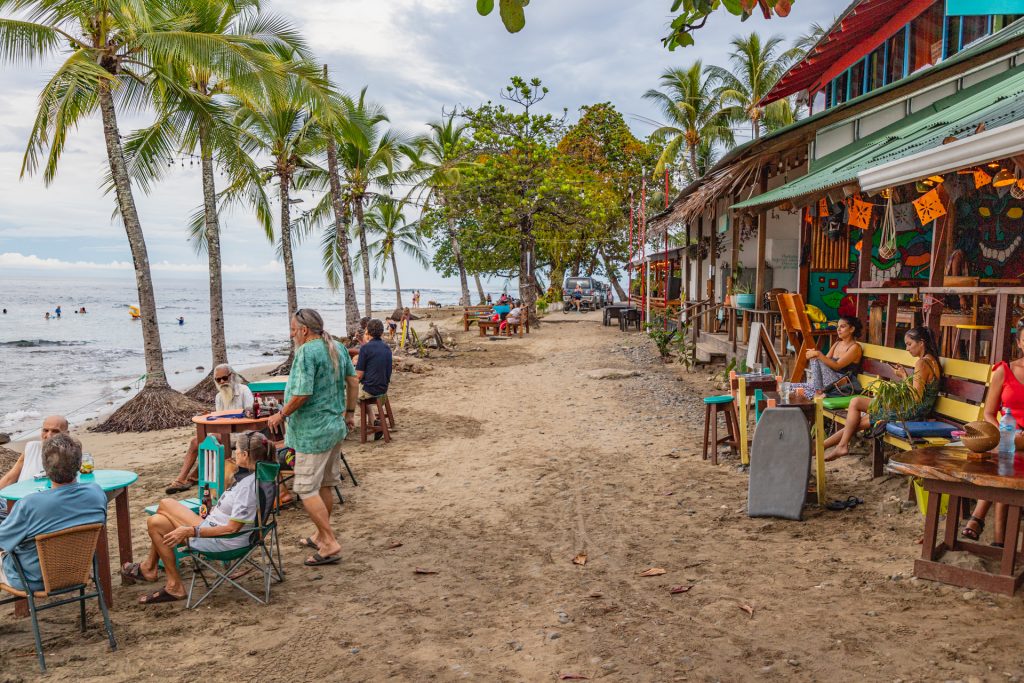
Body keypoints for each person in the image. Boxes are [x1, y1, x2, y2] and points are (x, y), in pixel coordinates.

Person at [124, 431, 276, 604]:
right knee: (158, 518)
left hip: (224, 542)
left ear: (245, 455)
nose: (234, 454)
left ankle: (163, 578)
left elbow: (232, 529)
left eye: (237, 450)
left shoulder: (248, 487)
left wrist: (191, 531)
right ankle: (153, 569)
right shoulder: (261, 475)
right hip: (220, 529)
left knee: (158, 518)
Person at [266, 309, 357, 567]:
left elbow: (303, 393)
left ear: (304, 330)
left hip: (313, 432)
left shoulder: (307, 351)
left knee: (305, 488)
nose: (291, 334)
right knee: (325, 484)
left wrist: (281, 415)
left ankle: (329, 542)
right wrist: (350, 413)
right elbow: (352, 381)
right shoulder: (337, 346)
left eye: (293, 330)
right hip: (334, 426)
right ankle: (320, 534)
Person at [0, 434, 107, 594]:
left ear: (45, 467)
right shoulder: (96, 493)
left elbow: (2, 540)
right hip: (78, 572)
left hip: (31, 579)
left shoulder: (29, 504)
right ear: (79, 465)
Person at [822, 326, 941, 461]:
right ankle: (831, 446)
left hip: (912, 410)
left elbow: (916, 398)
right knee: (857, 410)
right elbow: (918, 393)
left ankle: (829, 446)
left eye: (909, 344)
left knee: (858, 414)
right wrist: (904, 376)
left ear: (921, 342)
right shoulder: (931, 360)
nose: (907, 349)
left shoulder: (922, 363)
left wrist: (902, 380)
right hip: (914, 408)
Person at [962, 319, 1024, 544]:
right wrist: (1004, 433)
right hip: (1007, 434)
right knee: (1006, 457)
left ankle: (979, 520)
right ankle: (998, 539)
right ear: (1019, 342)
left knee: (1007, 461)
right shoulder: (1004, 370)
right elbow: (989, 413)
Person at [165, 365, 254, 494]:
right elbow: (220, 421)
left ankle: (189, 478)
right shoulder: (219, 397)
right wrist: (210, 415)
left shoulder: (244, 390)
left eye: (225, 378)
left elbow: (250, 414)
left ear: (232, 376)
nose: (222, 382)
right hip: (225, 434)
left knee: (208, 441)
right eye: (218, 380)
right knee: (196, 441)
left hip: (243, 434)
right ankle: (184, 479)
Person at [0, 416, 70, 522]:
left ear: (66, 434)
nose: (48, 435)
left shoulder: (69, 456)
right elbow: (11, 476)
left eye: (55, 431)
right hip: (12, 501)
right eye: (45, 430)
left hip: (29, 510)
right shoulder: (31, 447)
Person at [804, 316, 864, 393]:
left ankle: (817, 391)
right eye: (837, 326)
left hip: (841, 382)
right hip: (828, 382)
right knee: (791, 387)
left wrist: (818, 354)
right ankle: (817, 389)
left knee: (817, 358)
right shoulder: (837, 344)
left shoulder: (855, 347)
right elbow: (824, 362)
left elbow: (837, 366)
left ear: (852, 329)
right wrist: (813, 355)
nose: (838, 329)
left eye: (842, 326)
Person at [356, 319, 393, 413]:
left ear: (367, 331)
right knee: (358, 390)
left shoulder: (365, 349)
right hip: (383, 388)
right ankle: (372, 420)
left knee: (347, 392)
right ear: (382, 332)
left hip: (370, 390)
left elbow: (359, 375)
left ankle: (347, 421)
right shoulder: (387, 348)